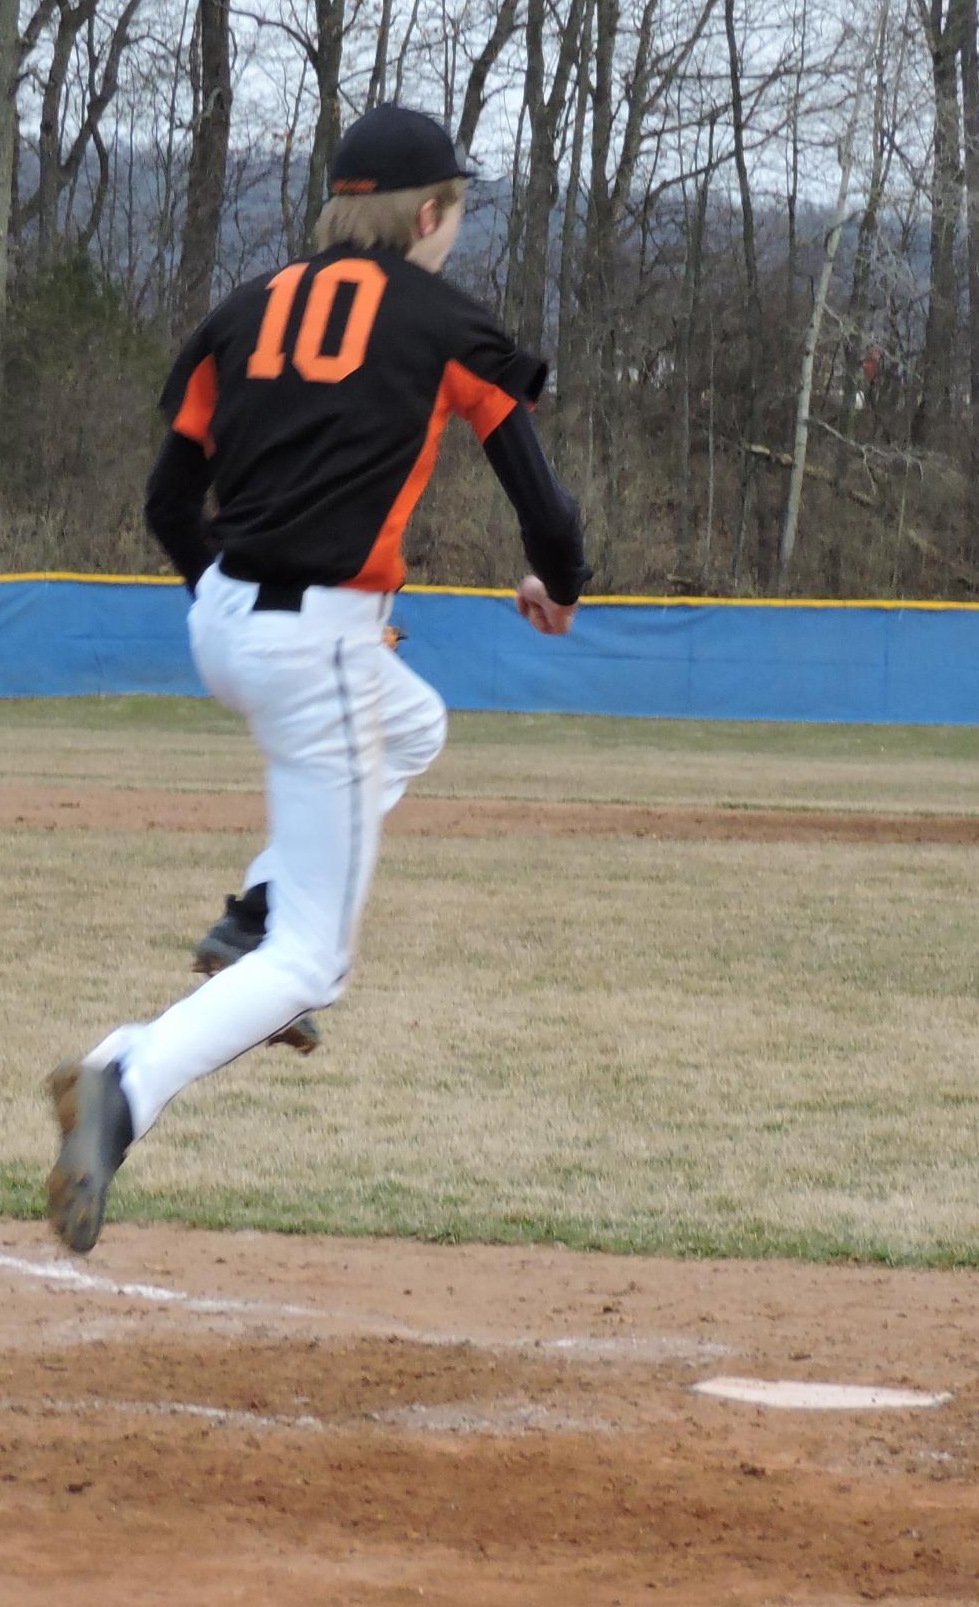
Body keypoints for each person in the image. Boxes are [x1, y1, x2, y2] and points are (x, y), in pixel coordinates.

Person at [45, 103, 592, 1254]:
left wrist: (234, 600)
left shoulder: (245, 308)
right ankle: (123, 1083)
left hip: (225, 616)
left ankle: (253, 904)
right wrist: (559, 579)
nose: (454, 231)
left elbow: (163, 504)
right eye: (456, 210)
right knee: (314, 966)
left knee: (419, 726)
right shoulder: (441, 315)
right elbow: (539, 494)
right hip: (322, 633)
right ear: (429, 212)